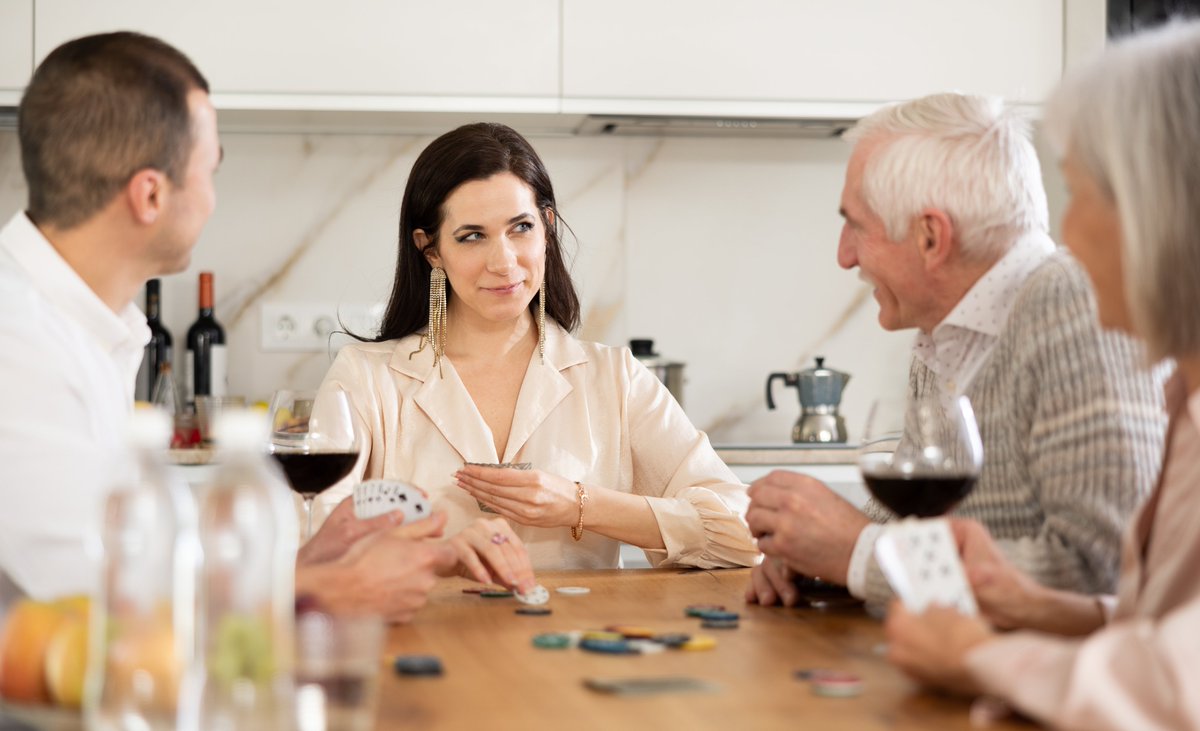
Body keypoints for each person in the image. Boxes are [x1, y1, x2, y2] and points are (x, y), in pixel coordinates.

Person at [0, 31, 455, 623]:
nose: (213, 199)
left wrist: (303, 568)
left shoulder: (77, 328)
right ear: (150, 195)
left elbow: (137, 573)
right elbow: (86, 602)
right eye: (209, 171)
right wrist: (326, 593)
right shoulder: (20, 342)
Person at [884, 21, 1200, 730]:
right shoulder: (1186, 398)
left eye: (1083, 194)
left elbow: (1175, 690)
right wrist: (1044, 608)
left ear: (1163, 213)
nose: (1068, 234)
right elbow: (1171, 627)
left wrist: (975, 656)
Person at [745, 92, 1166, 608]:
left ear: (930, 238)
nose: (844, 255)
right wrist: (812, 552)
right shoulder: (945, 331)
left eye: (855, 224)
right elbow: (909, 526)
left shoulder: (1071, 302)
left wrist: (856, 554)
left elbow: (1101, 570)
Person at [315, 122, 757, 573]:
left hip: (577, 641)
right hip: (421, 640)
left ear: (546, 228)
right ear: (430, 251)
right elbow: (307, 542)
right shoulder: (365, 379)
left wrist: (578, 504)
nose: (504, 261)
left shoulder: (614, 379)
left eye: (520, 228)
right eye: (472, 236)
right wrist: (437, 554)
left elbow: (742, 533)